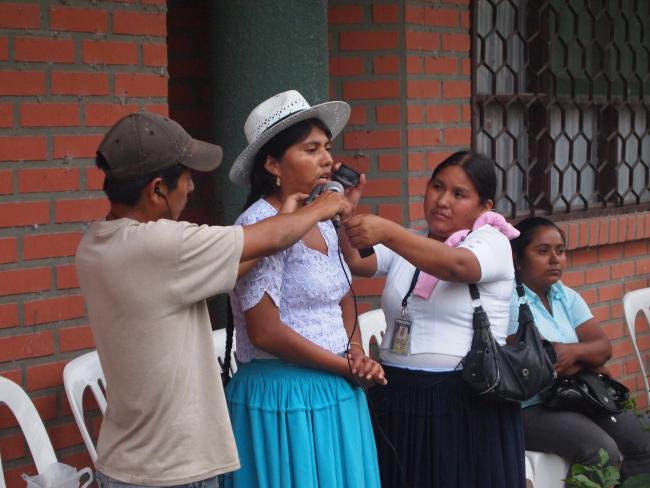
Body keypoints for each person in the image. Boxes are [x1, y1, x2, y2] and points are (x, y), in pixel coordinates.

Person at [75, 111, 352, 488]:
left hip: (127, 459)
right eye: (187, 177)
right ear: (157, 189)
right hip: (172, 468)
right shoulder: (160, 245)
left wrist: (284, 220)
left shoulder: (98, 242)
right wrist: (323, 205)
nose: (191, 187)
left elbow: (237, 261)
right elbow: (266, 239)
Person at [223, 90, 385, 488]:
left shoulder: (322, 217)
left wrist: (357, 352)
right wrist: (346, 368)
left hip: (335, 388)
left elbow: (343, 292)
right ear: (273, 163)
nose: (327, 160)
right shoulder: (259, 225)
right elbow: (264, 331)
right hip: (285, 397)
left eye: (327, 148)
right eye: (311, 149)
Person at [343, 150, 525, 487]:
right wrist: (345, 211)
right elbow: (356, 261)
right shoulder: (414, 241)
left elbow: (456, 266)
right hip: (397, 394)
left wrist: (388, 232)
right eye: (437, 187)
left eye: (459, 194)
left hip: (463, 401)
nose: (442, 200)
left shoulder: (491, 241)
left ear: (485, 207)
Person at [509, 216, 650, 481]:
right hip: (530, 407)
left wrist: (572, 353)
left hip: (577, 395)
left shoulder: (566, 296)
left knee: (643, 441)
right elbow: (538, 364)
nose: (555, 259)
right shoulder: (510, 300)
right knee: (600, 451)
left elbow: (603, 347)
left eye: (560, 251)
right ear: (517, 259)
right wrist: (589, 360)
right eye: (542, 251)